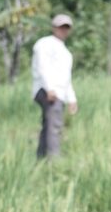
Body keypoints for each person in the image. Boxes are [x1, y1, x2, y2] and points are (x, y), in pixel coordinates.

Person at [30, 14, 79, 159]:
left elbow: (66, 78)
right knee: (55, 126)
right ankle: (54, 161)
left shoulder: (66, 53)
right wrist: (49, 88)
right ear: (54, 27)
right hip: (47, 91)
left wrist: (72, 99)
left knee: (49, 125)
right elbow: (42, 66)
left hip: (59, 93)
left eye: (66, 27)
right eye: (60, 26)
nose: (63, 30)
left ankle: (41, 158)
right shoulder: (45, 43)